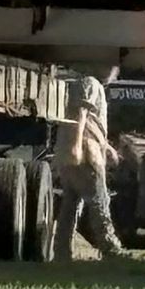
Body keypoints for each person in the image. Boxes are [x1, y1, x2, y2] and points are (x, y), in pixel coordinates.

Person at [51, 59, 127, 260]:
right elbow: (80, 115)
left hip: (78, 152)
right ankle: (110, 248)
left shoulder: (87, 84)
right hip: (86, 154)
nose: (114, 72)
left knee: (70, 204)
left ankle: (61, 250)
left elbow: (92, 122)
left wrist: (107, 146)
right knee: (99, 200)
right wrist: (76, 146)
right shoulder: (89, 83)